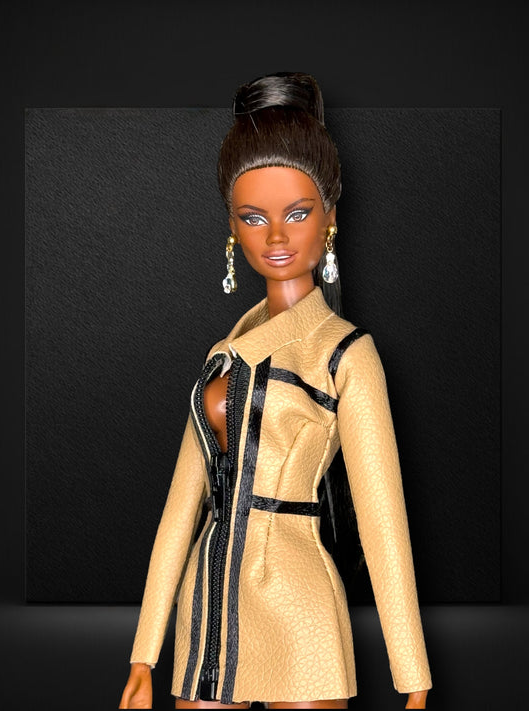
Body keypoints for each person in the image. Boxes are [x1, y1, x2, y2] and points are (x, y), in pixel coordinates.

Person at [119, 72, 432, 710]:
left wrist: (413, 677)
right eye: (254, 218)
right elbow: (180, 510)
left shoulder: (346, 353)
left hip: (298, 604)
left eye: (298, 213)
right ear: (233, 229)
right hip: (208, 606)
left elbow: (383, 523)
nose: (277, 237)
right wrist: (144, 654)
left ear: (331, 218)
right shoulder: (222, 354)